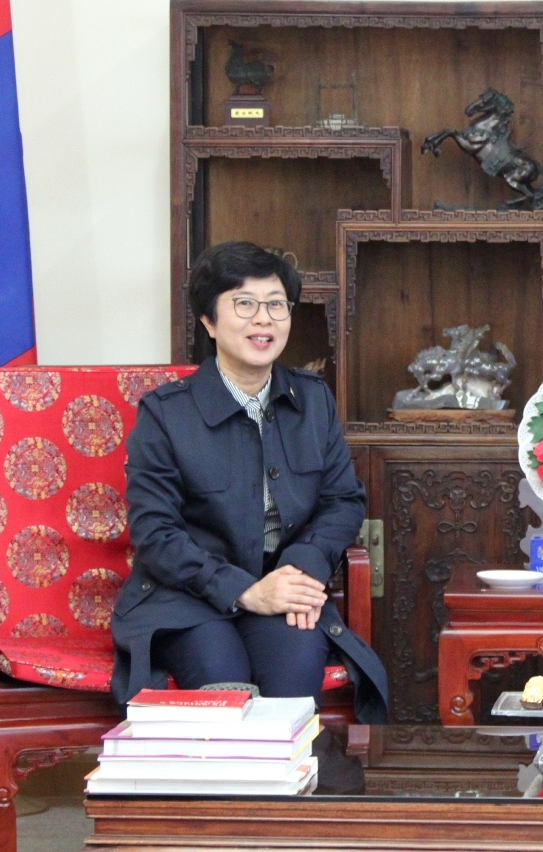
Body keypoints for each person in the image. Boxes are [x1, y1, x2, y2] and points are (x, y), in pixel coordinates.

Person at [110, 241, 389, 722]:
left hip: (282, 589)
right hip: (187, 599)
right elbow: (155, 533)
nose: (264, 319)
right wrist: (244, 591)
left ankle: (296, 776)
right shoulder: (165, 413)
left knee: (293, 680)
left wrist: (301, 571)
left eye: (277, 305)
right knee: (222, 680)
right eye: (244, 304)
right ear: (209, 321)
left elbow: (343, 501)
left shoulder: (313, 401)